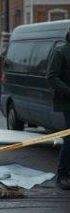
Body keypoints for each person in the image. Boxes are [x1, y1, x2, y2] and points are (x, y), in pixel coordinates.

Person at [46, 29, 70, 190]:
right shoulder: (61, 52)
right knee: (69, 140)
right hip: (68, 102)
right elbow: (51, 76)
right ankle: (62, 175)